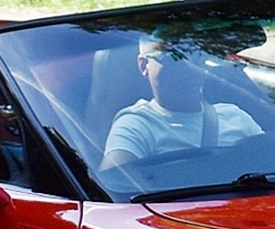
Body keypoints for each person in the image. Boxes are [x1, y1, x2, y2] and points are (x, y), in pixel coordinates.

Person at [100, 40, 262, 171]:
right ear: (144, 66)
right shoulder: (137, 125)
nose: (187, 68)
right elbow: (114, 181)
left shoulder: (235, 116)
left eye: (196, 57)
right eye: (170, 58)